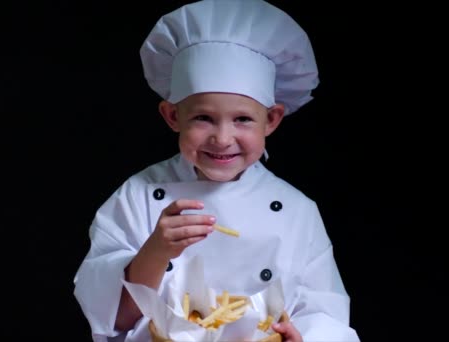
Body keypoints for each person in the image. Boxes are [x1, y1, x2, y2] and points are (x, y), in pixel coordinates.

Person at [73, 1, 359, 341]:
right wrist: (157, 250)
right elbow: (113, 319)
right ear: (172, 116)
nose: (223, 139)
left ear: (271, 119)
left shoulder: (298, 211)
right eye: (203, 118)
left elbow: (325, 314)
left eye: (242, 119)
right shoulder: (137, 196)